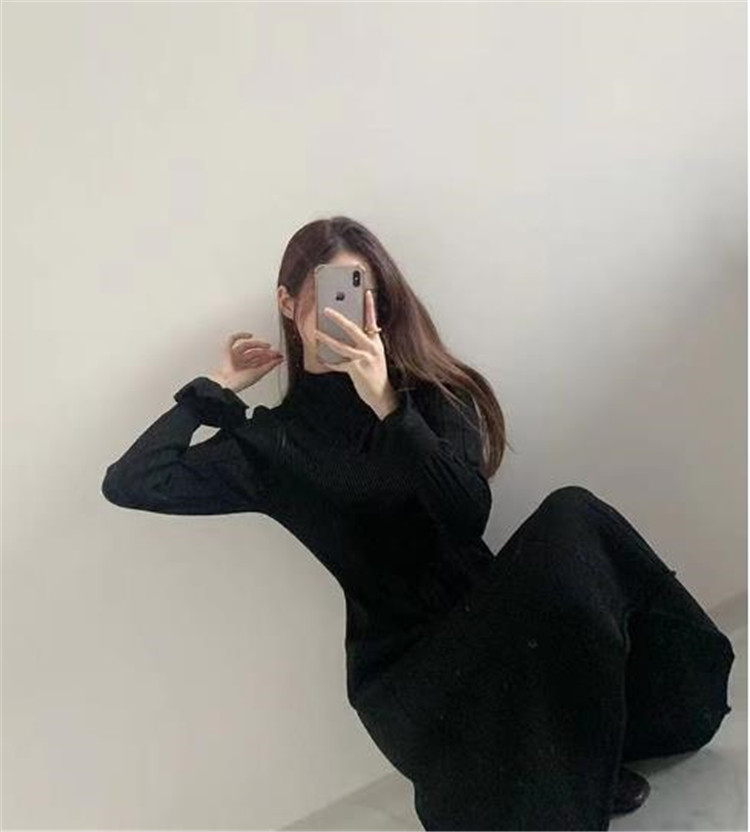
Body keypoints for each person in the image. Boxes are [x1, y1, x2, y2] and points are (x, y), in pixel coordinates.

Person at [102, 216, 735, 830]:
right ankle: (572, 769)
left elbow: (466, 516)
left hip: (500, 626)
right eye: (329, 291)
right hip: (409, 676)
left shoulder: (427, 395)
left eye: (362, 292)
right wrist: (216, 389)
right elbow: (133, 481)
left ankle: (587, 755)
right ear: (288, 303)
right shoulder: (273, 444)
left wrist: (388, 406)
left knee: (573, 515)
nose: (346, 309)